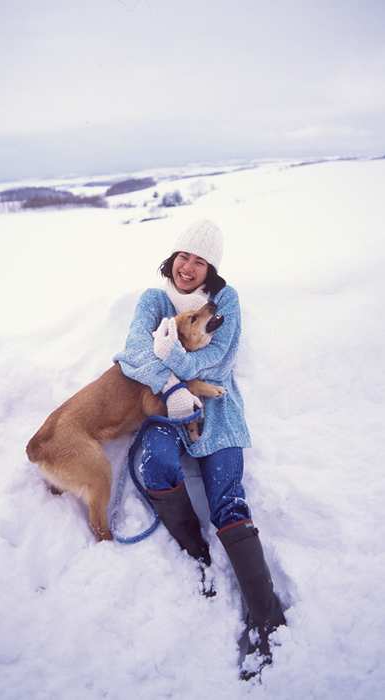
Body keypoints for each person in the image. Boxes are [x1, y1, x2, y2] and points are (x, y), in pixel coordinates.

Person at [114, 219, 285, 677]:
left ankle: (268, 623)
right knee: (155, 466)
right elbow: (134, 352)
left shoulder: (224, 302)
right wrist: (172, 386)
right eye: (183, 256)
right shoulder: (154, 300)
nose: (188, 267)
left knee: (228, 499)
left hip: (220, 410)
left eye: (200, 260)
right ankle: (199, 557)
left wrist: (169, 353)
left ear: (211, 268)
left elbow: (219, 360)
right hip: (167, 406)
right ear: (172, 257)